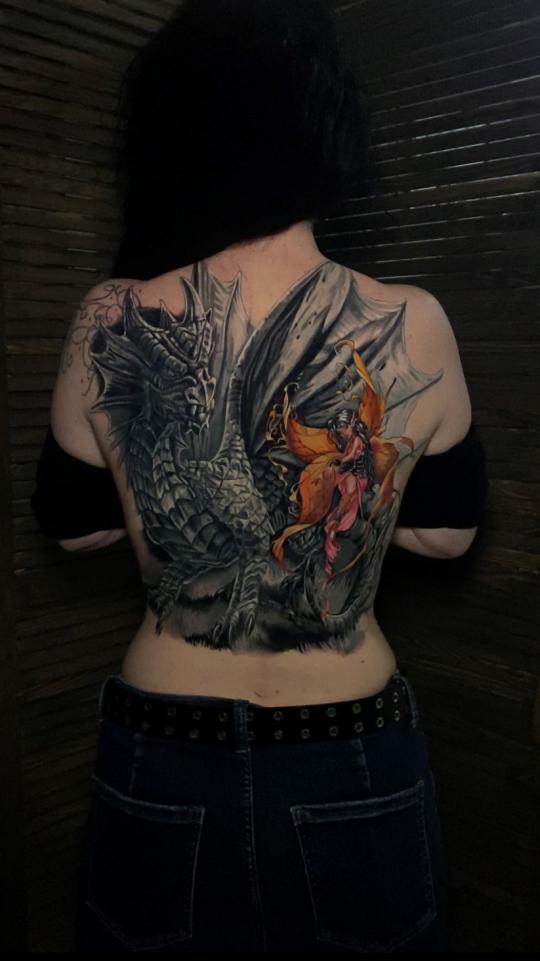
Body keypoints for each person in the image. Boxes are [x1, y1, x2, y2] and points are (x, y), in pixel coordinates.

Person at [31, 0, 488, 952]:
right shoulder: (415, 320)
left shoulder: (110, 314)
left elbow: (76, 528)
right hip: (350, 749)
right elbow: (447, 536)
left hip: (166, 752)